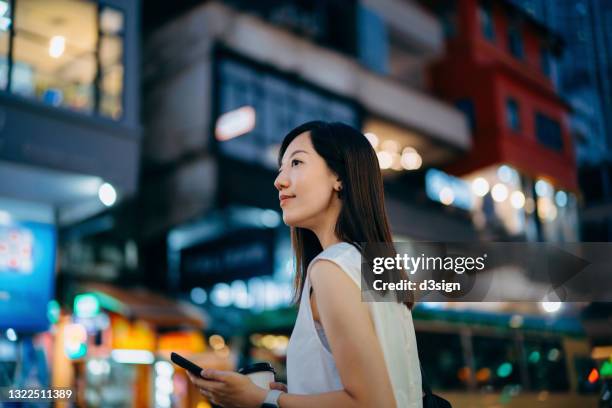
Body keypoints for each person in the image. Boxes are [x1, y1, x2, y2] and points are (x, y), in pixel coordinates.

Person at [187, 121, 422, 407]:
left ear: (340, 177)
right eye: (280, 169)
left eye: (296, 162)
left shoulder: (331, 269)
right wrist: (295, 393)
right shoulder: (374, 268)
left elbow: (372, 402)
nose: (279, 181)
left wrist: (265, 398)